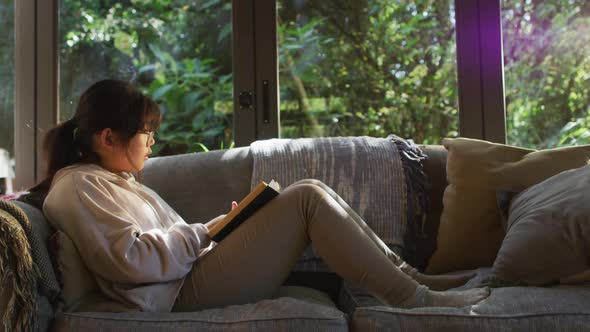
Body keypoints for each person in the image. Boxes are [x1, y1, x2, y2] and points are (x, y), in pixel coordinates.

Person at [40, 79, 489, 313]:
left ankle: (417, 281)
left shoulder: (109, 181)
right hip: (175, 294)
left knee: (304, 195)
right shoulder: (78, 188)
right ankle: (414, 299)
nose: (152, 142)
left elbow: (162, 243)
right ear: (106, 137)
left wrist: (225, 229)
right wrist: (208, 231)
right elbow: (130, 259)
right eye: (145, 132)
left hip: (186, 274)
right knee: (308, 198)